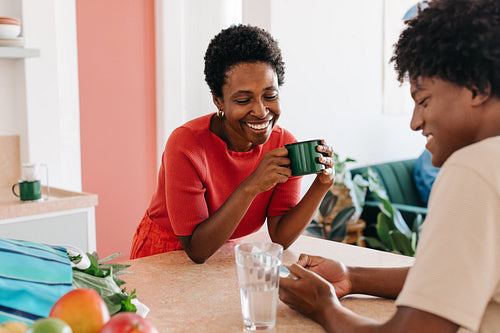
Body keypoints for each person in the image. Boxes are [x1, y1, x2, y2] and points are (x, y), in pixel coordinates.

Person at [279, 0, 500, 332]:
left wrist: (323, 306)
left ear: (477, 88)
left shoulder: (474, 169)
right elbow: (451, 277)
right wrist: (352, 277)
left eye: (423, 100)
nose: (415, 122)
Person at [131, 25, 335, 263]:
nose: (261, 111)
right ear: (218, 100)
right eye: (243, 99)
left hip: (225, 250)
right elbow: (196, 249)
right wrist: (252, 186)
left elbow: (280, 236)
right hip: (166, 254)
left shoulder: (283, 144)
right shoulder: (186, 146)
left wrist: (322, 185)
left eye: (270, 96)